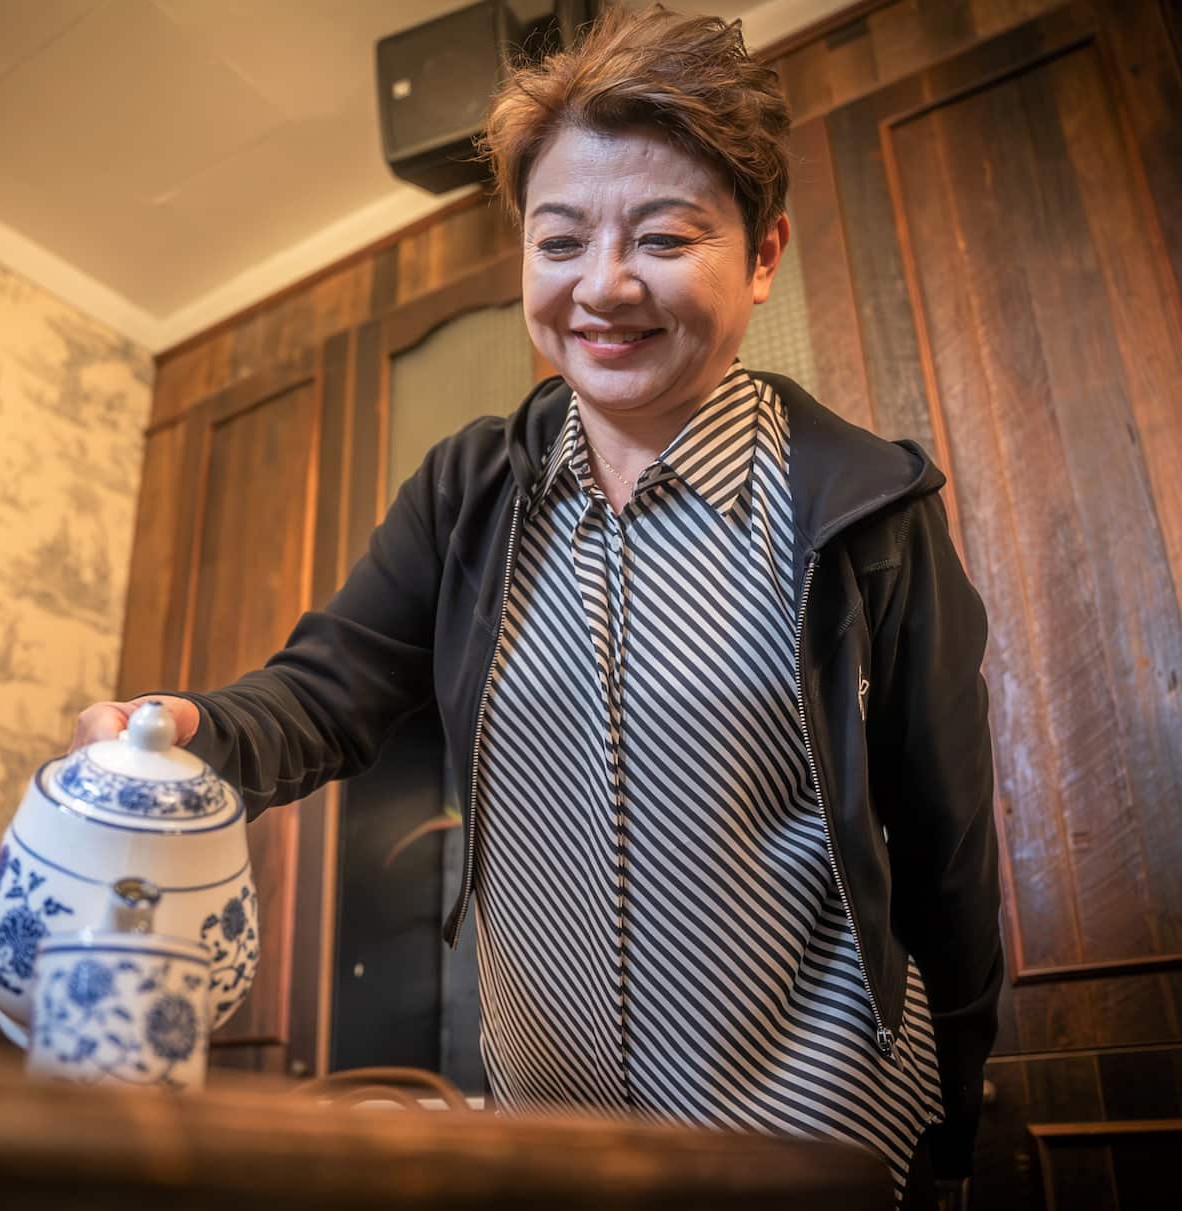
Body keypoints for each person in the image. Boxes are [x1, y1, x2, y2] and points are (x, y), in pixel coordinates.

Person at [73, 7, 1001, 1207]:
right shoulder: (466, 492)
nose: (602, 285)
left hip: (813, 1132)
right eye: (559, 239)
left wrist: (956, 1119)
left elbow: (945, 841)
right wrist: (190, 733)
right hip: (545, 1137)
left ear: (762, 254)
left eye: (663, 236)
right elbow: (323, 693)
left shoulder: (862, 508)